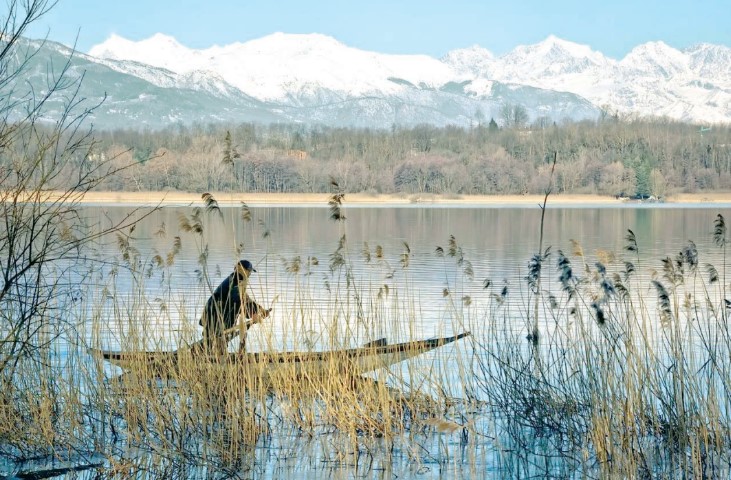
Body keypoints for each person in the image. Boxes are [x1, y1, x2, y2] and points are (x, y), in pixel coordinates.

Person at [199, 259, 269, 355]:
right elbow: (238, 300)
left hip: (216, 315)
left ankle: (208, 359)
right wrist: (254, 312)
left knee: (214, 343)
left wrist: (259, 309)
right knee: (216, 342)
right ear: (244, 270)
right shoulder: (236, 280)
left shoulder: (236, 279)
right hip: (216, 317)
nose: (249, 274)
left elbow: (245, 299)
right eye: (249, 271)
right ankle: (212, 362)